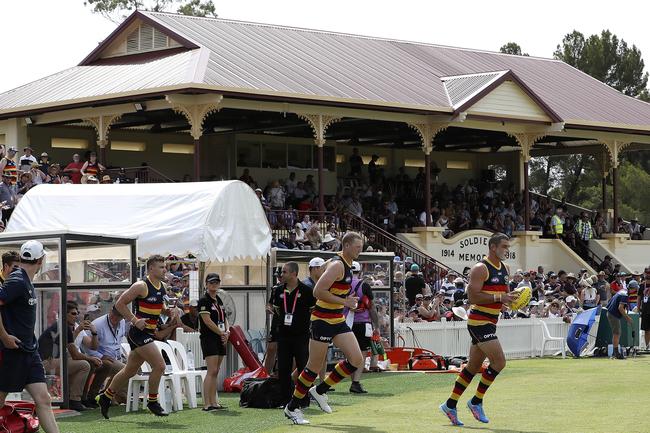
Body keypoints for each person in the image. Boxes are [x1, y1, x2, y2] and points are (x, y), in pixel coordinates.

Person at [284, 232, 365, 425]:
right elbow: (318, 291)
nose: (360, 250)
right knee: (313, 367)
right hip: (322, 320)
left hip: (336, 319)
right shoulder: (337, 265)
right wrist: (346, 301)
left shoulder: (345, 265)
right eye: (357, 247)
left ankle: (319, 391)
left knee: (356, 359)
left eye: (361, 247)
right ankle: (292, 407)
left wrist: (346, 302)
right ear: (346, 246)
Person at [440, 233, 518, 426]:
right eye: (504, 246)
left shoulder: (505, 269)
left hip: (491, 321)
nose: (507, 250)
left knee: (473, 368)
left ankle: (450, 405)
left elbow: (502, 295)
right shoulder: (480, 268)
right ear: (493, 247)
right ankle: (476, 401)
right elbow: (473, 298)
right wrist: (500, 298)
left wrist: (510, 300)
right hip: (478, 322)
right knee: (499, 362)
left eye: (508, 247)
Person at [98, 255, 172, 418]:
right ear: (151, 268)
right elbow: (119, 304)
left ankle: (106, 396)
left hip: (148, 333)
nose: (164, 269)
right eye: (161, 266)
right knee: (159, 366)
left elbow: (159, 304)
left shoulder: (162, 286)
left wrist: (166, 310)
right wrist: (134, 320)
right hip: (138, 333)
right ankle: (152, 402)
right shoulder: (141, 285)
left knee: (129, 371)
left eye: (164, 266)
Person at [0, 240, 60, 433]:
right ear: (41, 260)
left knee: (43, 399)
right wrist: (4, 337)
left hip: (28, 351)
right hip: (12, 351)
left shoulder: (24, 279)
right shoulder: (17, 281)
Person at [271, 263, 316, 404]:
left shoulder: (307, 291)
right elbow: (275, 309)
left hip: (301, 336)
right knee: (283, 368)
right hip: (284, 336)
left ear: (293, 273)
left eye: (284, 272)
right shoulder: (278, 290)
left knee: (303, 367)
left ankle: (304, 399)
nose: (281, 274)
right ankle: (285, 400)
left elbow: (313, 310)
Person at [83, 304, 128, 406]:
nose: (114, 317)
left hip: (114, 357)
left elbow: (118, 341)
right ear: (110, 311)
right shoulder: (98, 324)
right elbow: (86, 345)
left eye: (118, 315)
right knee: (125, 370)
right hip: (100, 358)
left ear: (123, 317)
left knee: (133, 367)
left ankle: (108, 395)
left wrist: (121, 356)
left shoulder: (122, 322)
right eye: (113, 313)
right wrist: (100, 356)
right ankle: (116, 396)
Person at [197, 273, 230, 411]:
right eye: (211, 283)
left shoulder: (219, 300)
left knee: (216, 371)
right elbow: (207, 321)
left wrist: (228, 332)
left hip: (220, 337)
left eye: (216, 282)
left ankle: (214, 402)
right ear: (206, 284)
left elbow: (225, 318)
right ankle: (207, 404)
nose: (214, 285)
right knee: (211, 371)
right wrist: (221, 333)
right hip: (209, 338)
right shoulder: (204, 301)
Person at [348, 262, 379, 394]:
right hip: (363, 322)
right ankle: (356, 382)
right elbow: (371, 307)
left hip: (346, 322)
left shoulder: (343, 285)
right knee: (362, 352)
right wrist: (376, 326)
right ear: (360, 272)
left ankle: (353, 381)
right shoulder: (364, 285)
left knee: (349, 353)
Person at [606, 285, 632, 359]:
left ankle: (615, 353)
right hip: (613, 314)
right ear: (632, 289)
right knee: (617, 333)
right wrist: (627, 318)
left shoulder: (622, 291)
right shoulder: (625, 295)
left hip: (611, 312)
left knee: (617, 333)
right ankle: (616, 353)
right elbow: (620, 308)